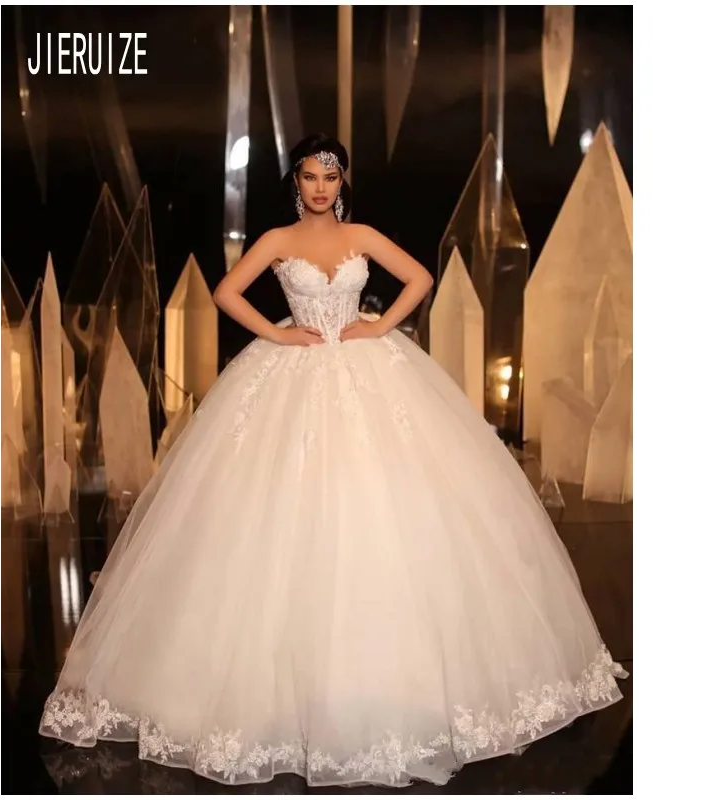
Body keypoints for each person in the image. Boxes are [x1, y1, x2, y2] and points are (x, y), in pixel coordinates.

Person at [39, 134, 627, 788]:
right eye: (310, 176)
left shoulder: (362, 235)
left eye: (331, 176)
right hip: (290, 374)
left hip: (366, 367)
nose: (321, 187)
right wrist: (277, 332)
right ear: (295, 181)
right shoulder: (277, 240)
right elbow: (228, 292)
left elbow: (421, 278)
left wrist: (377, 325)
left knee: (384, 505)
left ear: (342, 181)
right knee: (272, 513)